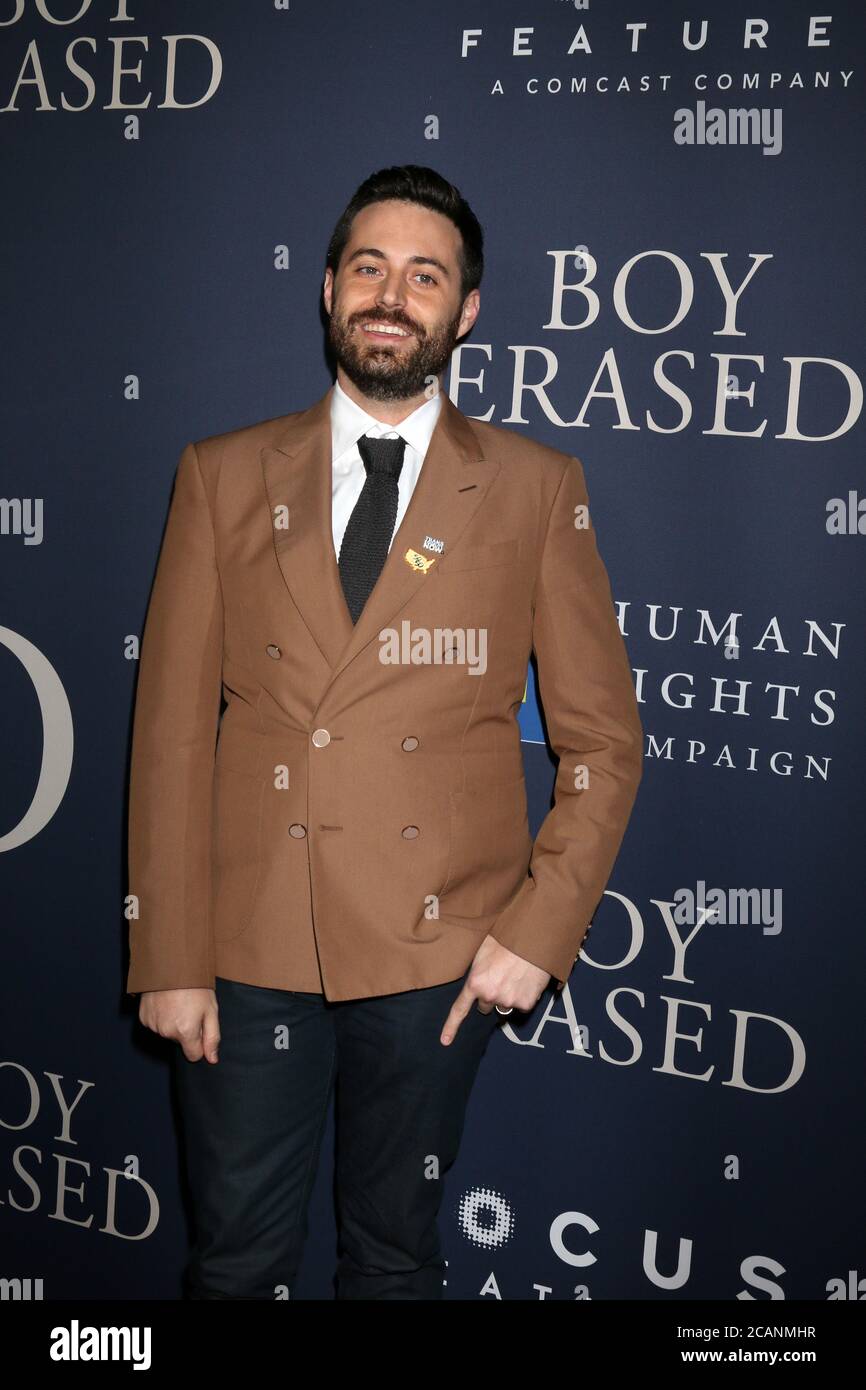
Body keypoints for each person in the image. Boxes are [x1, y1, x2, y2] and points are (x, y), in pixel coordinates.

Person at [126, 164, 643, 1299]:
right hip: (246, 946)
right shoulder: (219, 475)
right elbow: (167, 734)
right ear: (325, 289)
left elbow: (602, 740)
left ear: (464, 313)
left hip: (436, 956)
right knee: (237, 1261)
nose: (389, 296)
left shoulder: (534, 487)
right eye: (368, 267)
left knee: (396, 1257)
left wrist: (536, 929)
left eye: (424, 275)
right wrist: (166, 950)